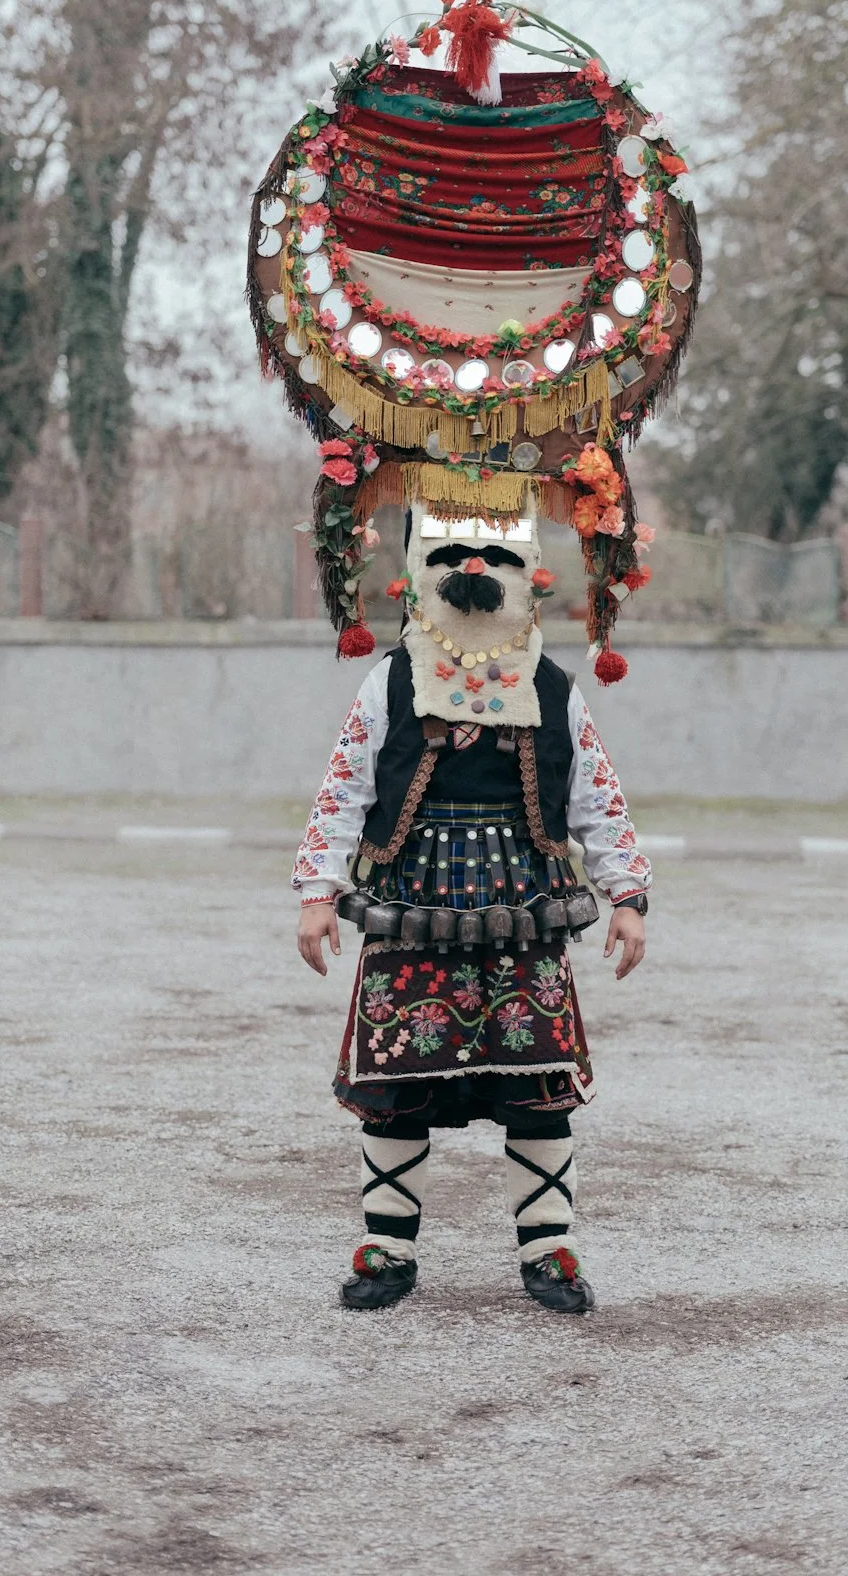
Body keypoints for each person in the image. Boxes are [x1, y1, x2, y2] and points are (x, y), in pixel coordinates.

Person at [293, 506, 651, 1315]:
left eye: (495, 555)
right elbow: (345, 784)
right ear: (418, 571)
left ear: (531, 576)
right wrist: (318, 890)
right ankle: (385, 1251)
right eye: (453, 552)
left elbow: (592, 792)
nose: (476, 569)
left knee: (538, 1085)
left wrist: (625, 894)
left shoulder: (551, 686)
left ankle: (549, 1251)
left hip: (525, 905)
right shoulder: (388, 679)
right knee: (393, 1080)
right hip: (408, 901)